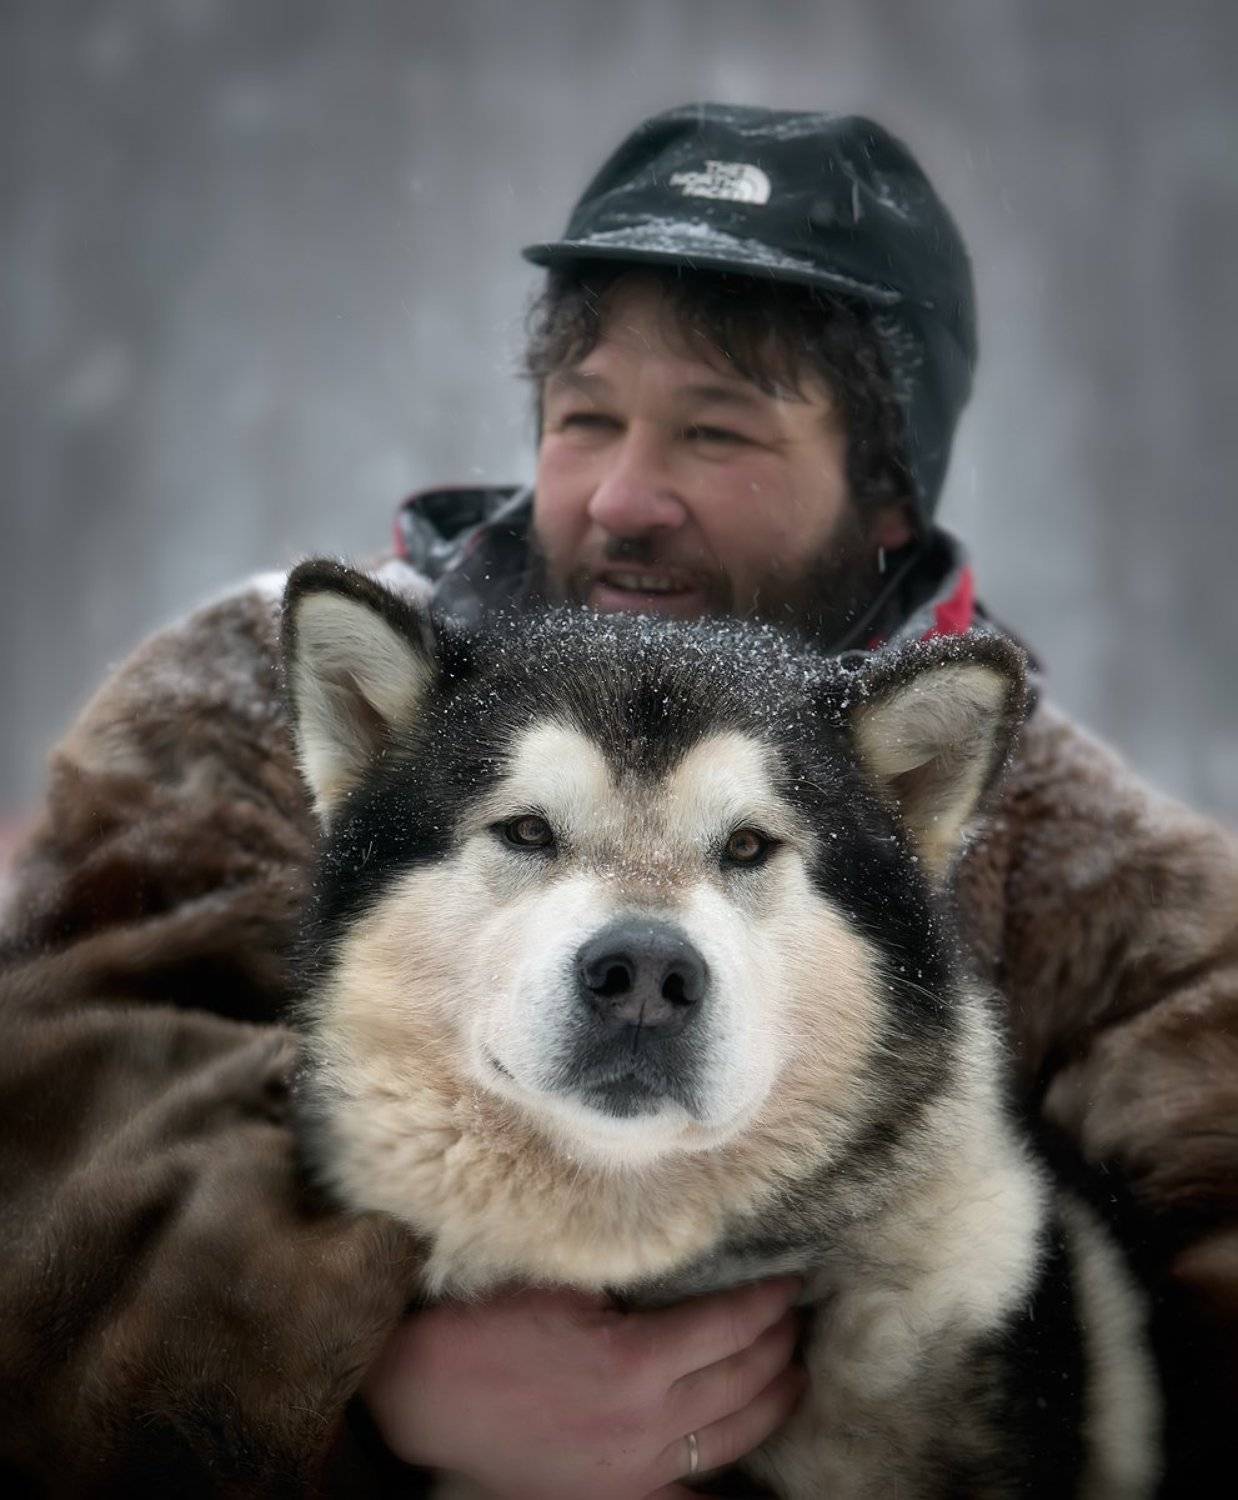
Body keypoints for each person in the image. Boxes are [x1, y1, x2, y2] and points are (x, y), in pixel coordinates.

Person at [0, 103, 1234, 1499]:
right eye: (586, 419)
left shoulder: (1069, 844)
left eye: (716, 432)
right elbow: (52, 1111)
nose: (627, 497)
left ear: (887, 494)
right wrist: (354, 1359)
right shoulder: (269, 697)